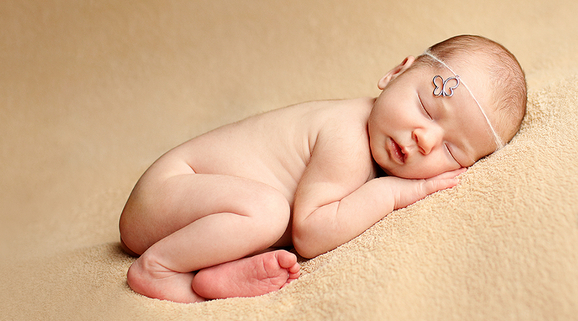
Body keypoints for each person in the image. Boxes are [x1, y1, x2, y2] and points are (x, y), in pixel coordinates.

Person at [119, 35, 527, 303]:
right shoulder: (348, 137)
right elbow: (311, 233)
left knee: (263, 213)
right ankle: (158, 268)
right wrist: (394, 193)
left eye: (452, 150)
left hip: (198, 214)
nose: (425, 139)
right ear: (396, 73)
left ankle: (212, 274)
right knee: (267, 210)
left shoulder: (374, 140)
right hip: (168, 190)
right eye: (425, 107)